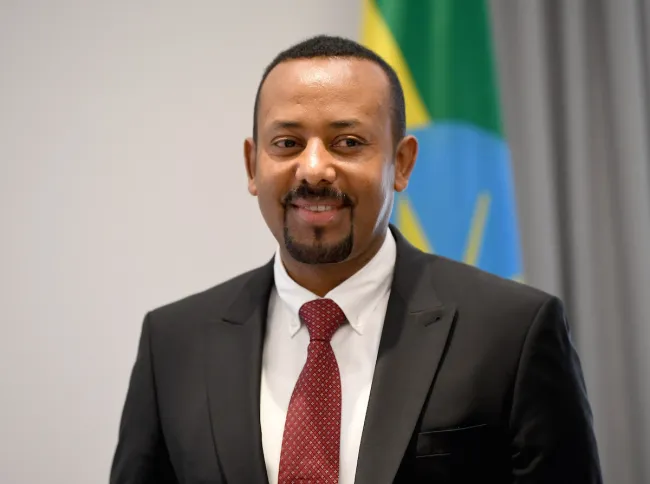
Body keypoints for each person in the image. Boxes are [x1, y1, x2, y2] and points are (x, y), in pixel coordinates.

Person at [110, 35, 602, 484]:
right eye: (287, 144)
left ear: (401, 163)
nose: (314, 169)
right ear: (252, 165)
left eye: (347, 143)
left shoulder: (513, 331)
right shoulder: (172, 343)